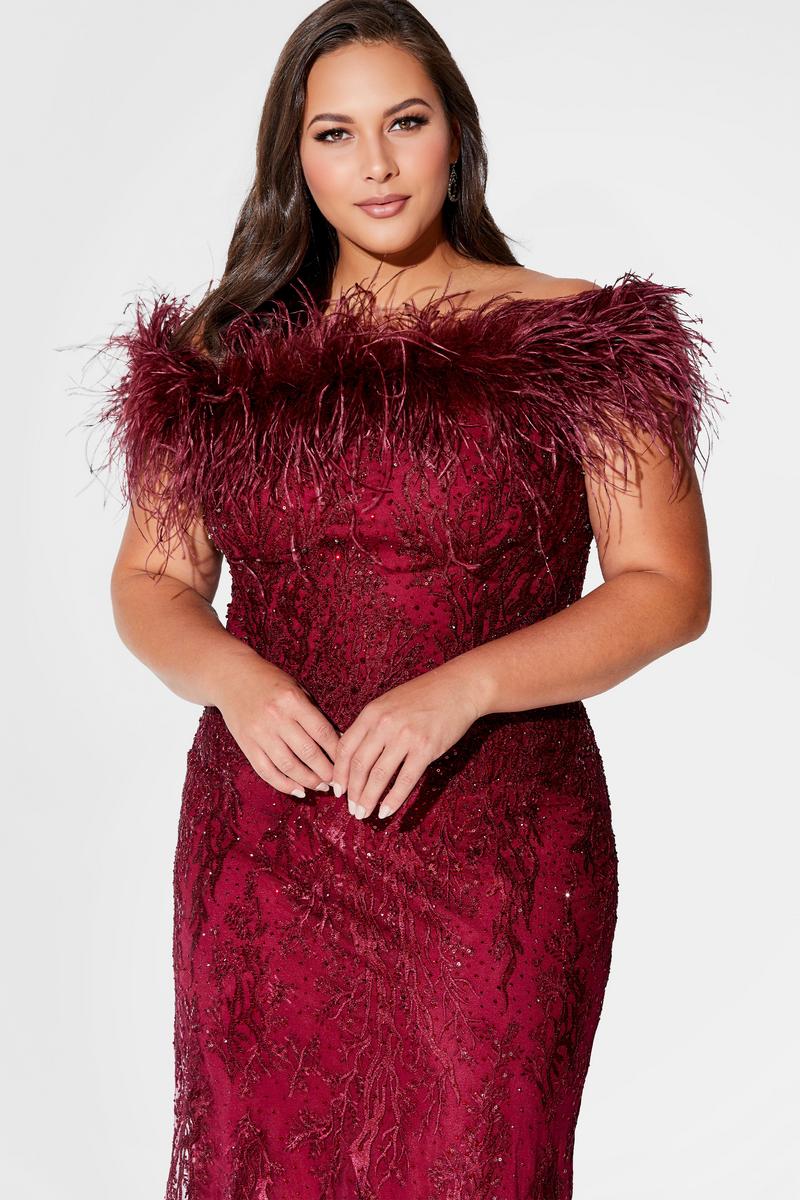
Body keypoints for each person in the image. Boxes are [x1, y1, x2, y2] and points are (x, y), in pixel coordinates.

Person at [85, 1, 726, 1196]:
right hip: (265, 843)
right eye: (334, 133)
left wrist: (461, 689)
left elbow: (664, 587)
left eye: (405, 122)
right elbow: (150, 580)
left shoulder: (578, 335)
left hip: (495, 846)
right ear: (293, 157)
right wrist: (235, 679)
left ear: (455, 136)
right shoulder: (222, 358)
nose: (374, 164)